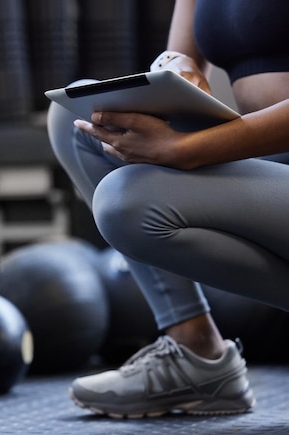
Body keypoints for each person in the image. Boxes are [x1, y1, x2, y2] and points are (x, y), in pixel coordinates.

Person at [47, 0, 289, 419]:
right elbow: (181, 54)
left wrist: (185, 149)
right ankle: (196, 354)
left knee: (128, 201)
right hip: (272, 175)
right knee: (80, 124)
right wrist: (174, 66)